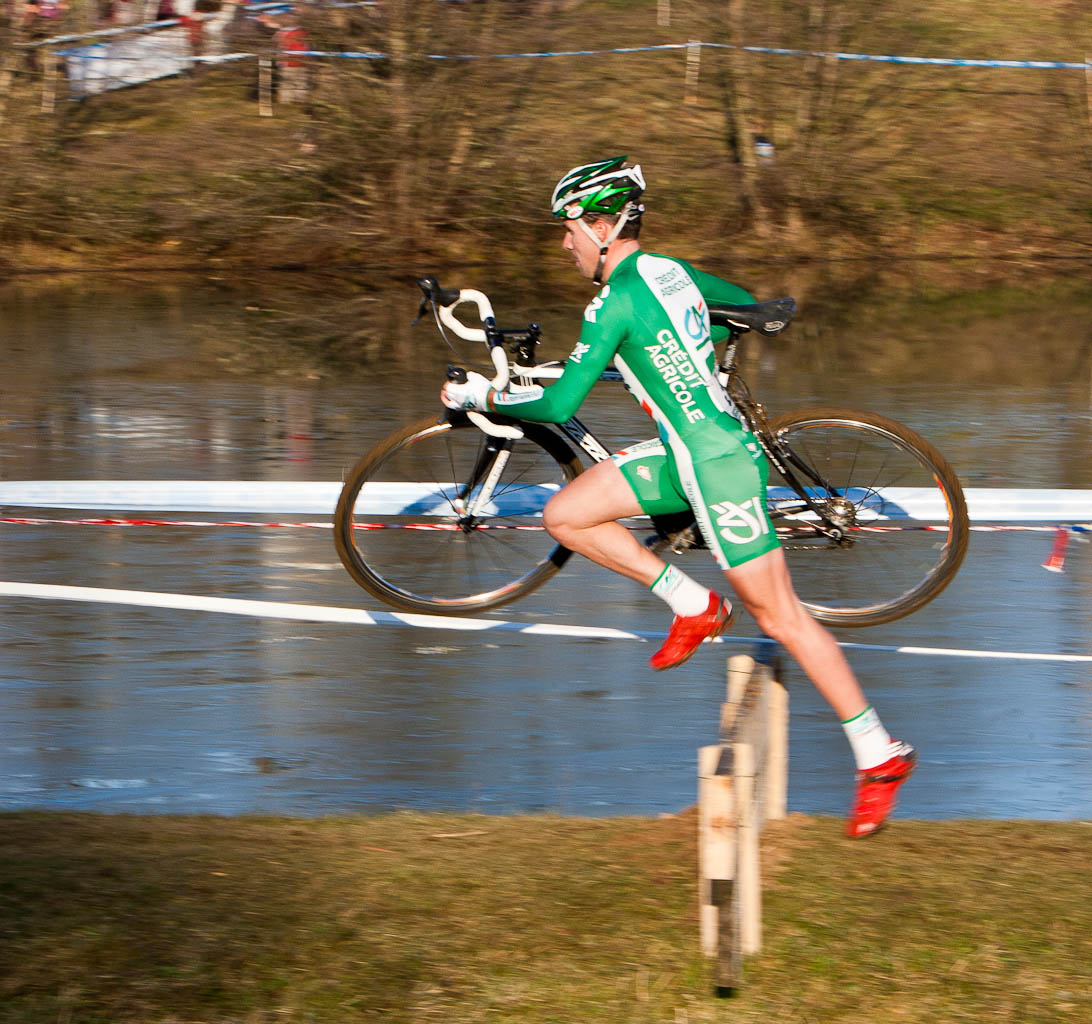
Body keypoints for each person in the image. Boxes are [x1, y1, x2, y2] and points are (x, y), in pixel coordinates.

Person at [440, 157, 916, 837]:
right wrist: (687, 353)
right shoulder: (669, 271)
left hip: (717, 466)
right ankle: (693, 602)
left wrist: (477, 394)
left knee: (784, 618)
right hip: (681, 454)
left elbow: (560, 404)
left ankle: (880, 753)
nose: (563, 242)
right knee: (566, 514)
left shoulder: (611, 303)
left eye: (568, 228)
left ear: (603, 227)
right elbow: (732, 308)